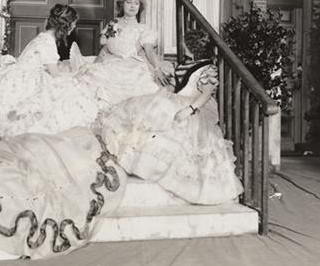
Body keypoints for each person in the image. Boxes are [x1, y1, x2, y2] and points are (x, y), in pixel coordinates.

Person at [0, 51, 127, 260]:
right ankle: (3, 240)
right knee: (25, 163)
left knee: (42, 151)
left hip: (1, 145)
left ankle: (20, 235)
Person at [95, 29, 243, 205]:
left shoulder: (208, 68)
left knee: (181, 132)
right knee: (152, 115)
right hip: (178, 100)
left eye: (185, 44)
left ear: (192, 46)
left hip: (196, 107)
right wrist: (161, 93)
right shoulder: (185, 64)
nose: (183, 46)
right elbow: (176, 87)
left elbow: (205, 94)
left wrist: (189, 109)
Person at [0, 4, 99, 137]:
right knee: (72, 91)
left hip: (22, 74)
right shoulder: (47, 43)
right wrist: (74, 78)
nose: (74, 27)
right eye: (73, 24)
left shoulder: (44, 36)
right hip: (26, 81)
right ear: (65, 26)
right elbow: (55, 75)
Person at [75, 0, 171, 110]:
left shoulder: (143, 29)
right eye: (129, 2)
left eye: (136, 3)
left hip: (133, 66)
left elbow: (149, 51)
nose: (132, 6)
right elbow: (105, 49)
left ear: (140, 6)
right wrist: (94, 65)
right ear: (122, 5)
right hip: (111, 64)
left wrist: (157, 68)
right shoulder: (113, 24)